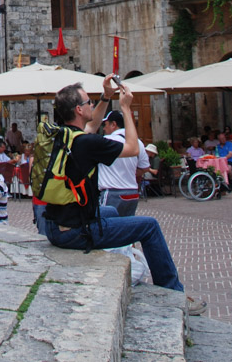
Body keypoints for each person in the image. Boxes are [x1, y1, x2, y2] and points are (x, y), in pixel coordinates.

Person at [42, 78, 206, 312]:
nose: (91, 105)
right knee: (149, 226)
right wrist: (126, 108)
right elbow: (132, 148)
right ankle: (173, 293)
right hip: (74, 233)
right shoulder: (87, 143)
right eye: (88, 102)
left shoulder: (64, 135)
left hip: (55, 225)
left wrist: (105, 98)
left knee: (110, 210)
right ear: (79, 109)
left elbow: (92, 125)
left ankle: (127, 249)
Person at [98, 110, 149, 216]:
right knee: (126, 227)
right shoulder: (137, 142)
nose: (104, 128)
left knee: (106, 226)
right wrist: (128, 173)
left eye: (106, 124)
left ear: (113, 124)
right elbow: (145, 167)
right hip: (132, 192)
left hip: (112, 191)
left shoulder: (106, 140)